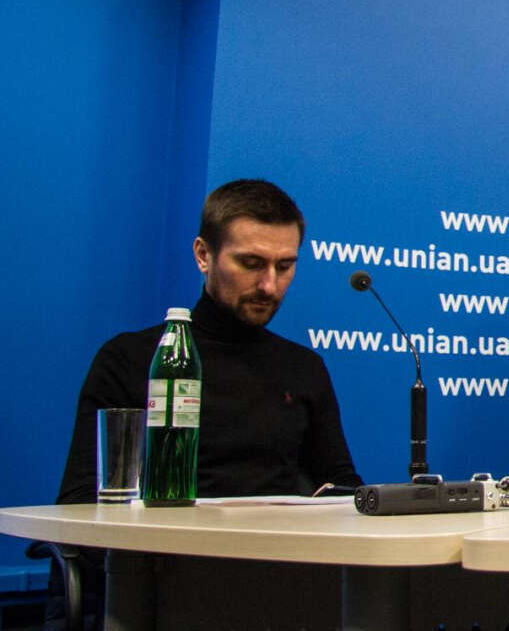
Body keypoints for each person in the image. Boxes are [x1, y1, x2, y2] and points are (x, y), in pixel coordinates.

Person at [57, 179, 363, 502]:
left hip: (281, 536)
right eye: (251, 264)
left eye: (284, 266)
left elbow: (341, 490)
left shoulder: (303, 368)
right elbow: (81, 501)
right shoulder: (132, 360)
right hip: (164, 535)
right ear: (203, 255)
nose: (269, 286)